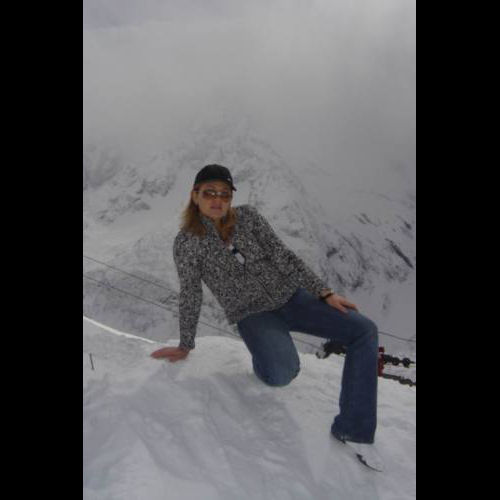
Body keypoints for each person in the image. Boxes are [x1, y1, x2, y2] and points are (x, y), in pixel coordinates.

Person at [151, 164, 381, 462]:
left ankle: (353, 429)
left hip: (293, 298)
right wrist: (185, 344)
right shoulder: (186, 243)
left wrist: (324, 292)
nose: (217, 200)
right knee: (281, 374)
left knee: (364, 329)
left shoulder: (248, 218)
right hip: (252, 314)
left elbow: (282, 255)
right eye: (209, 193)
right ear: (195, 196)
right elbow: (191, 292)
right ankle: (266, 360)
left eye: (224, 194)